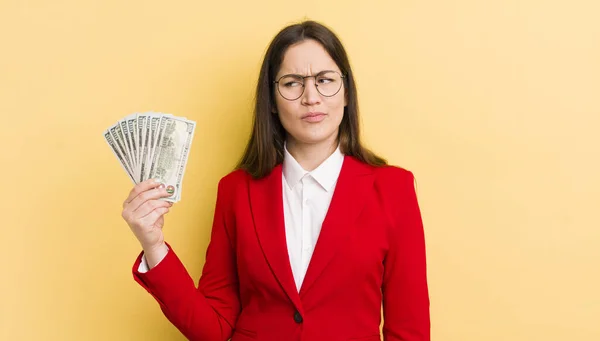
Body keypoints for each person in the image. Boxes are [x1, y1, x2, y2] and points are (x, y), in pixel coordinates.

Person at [121, 20, 430, 341]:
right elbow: (213, 328)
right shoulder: (236, 190)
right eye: (292, 83)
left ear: (347, 92)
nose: (311, 97)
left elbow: (409, 330)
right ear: (271, 99)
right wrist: (154, 245)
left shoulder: (394, 189)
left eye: (325, 80)